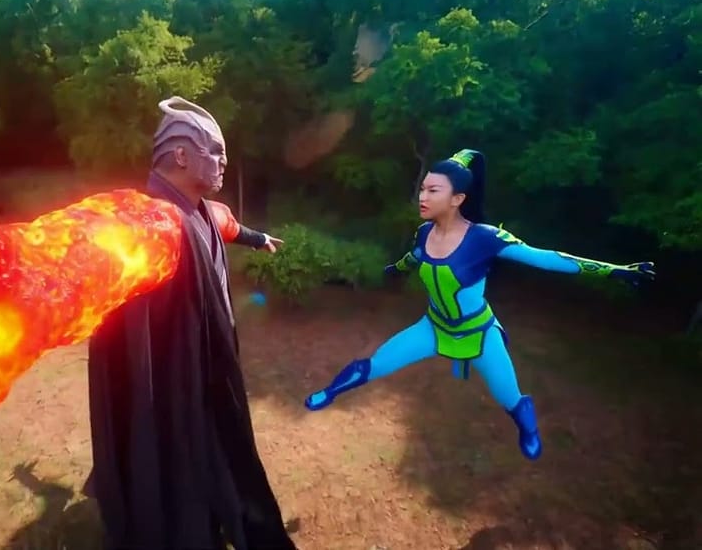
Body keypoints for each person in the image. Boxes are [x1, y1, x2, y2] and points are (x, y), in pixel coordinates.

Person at [303, 149, 655, 461]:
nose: (422, 197)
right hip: (433, 327)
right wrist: (393, 269)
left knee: (510, 398)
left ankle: (528, 430)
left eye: (433, 190)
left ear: (457, 199)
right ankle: (330, 391)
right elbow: (415, 257)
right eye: (423, 188)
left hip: (479, 335)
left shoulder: (486, 238)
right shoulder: (424, 232)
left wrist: (615, 271)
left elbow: (548, 258)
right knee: (375, 363)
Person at [84, 96, 296, 549]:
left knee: (218, 449)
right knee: (180, 460)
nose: (224, 162)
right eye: (215, 151)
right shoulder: (148, 226)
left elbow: (229, 227)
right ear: (181, 155)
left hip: (209, 365)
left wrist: (259, 239)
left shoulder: (203, 210)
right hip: (172, 379)